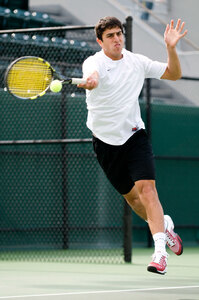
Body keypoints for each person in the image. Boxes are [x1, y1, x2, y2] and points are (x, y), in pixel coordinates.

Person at [78, 16, 187, 275]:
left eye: (119, 34)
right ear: (99, 41)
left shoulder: (136, 62)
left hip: (135, 136)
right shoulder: (93, 62)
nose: (117, 39)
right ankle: (165, 226)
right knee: (134, 200)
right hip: (105, 143)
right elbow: (91, 75)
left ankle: (160, 253)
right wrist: (92, 81)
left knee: (148, 190)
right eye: (110, 36)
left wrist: (171, 48)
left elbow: (175, 74)